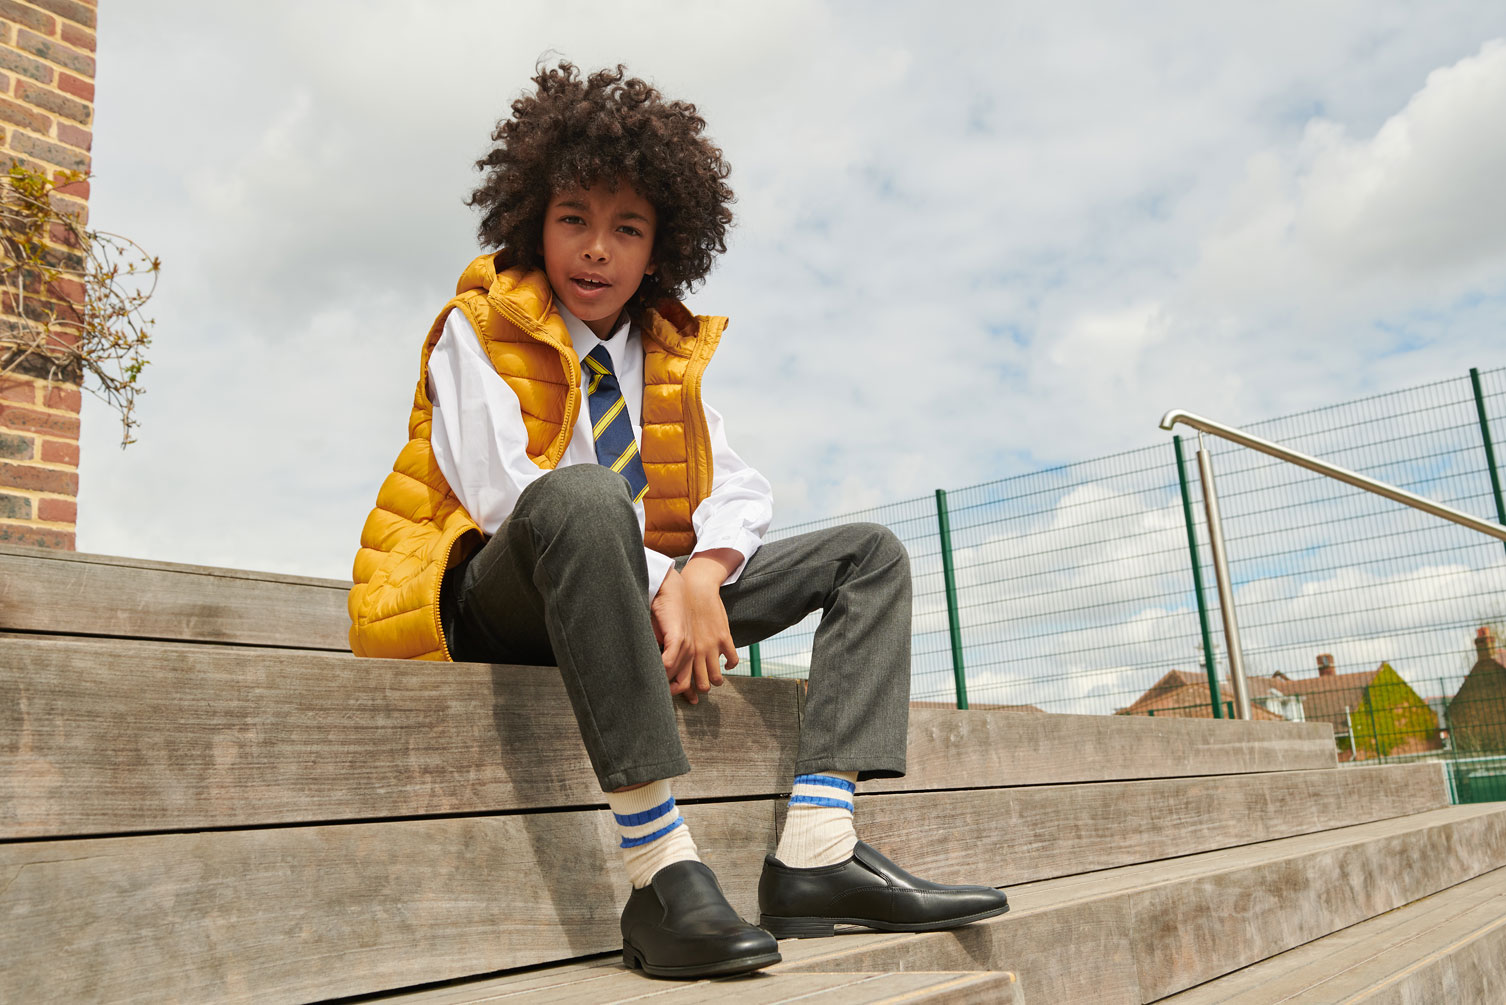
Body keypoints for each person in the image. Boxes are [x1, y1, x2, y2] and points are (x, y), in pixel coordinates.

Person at [349, 62, 1009, 980]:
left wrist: (703, 574)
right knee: (583, 499)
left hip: (647, 595)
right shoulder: (477, 323)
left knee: (870, 554)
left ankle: (818, 846)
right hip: (503, 593)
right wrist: (668, 583)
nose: (595, 250)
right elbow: (504, 491)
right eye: (574, 218)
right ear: (535, 219)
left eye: (627, 229)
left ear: (660, 248)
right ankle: (660, 869)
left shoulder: (667, 350)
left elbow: (736, 487)